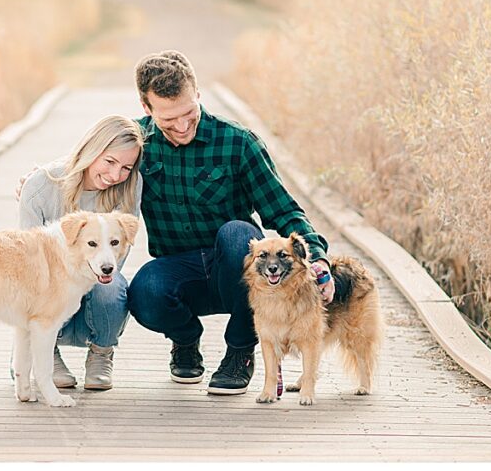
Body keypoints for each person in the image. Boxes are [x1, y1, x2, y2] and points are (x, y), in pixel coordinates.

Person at [126, 50, 334, 396]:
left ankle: (240, 352)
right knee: (144, 292)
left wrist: (318, 259)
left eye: (189, 114)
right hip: (180, 270)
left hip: (238, 271)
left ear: (198, 94)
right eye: (168, 120)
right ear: (146, 108)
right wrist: (40, 181)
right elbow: (90, 170)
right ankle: (185, 342)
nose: (181, 127)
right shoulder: (136, 142)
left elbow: (284, 211)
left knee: (239, 234)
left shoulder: (238, 142)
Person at [18, 114, 143, 391]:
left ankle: (102, 352)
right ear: (91, 149)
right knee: (47, 286)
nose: (115, 175)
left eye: (125, 167)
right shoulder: (41, 186)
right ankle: (43, 354)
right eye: (109, 161)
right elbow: (27, 262)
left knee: (111, 287)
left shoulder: (131, 186)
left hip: (95, 283)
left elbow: (118, 255)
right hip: (48, 289)